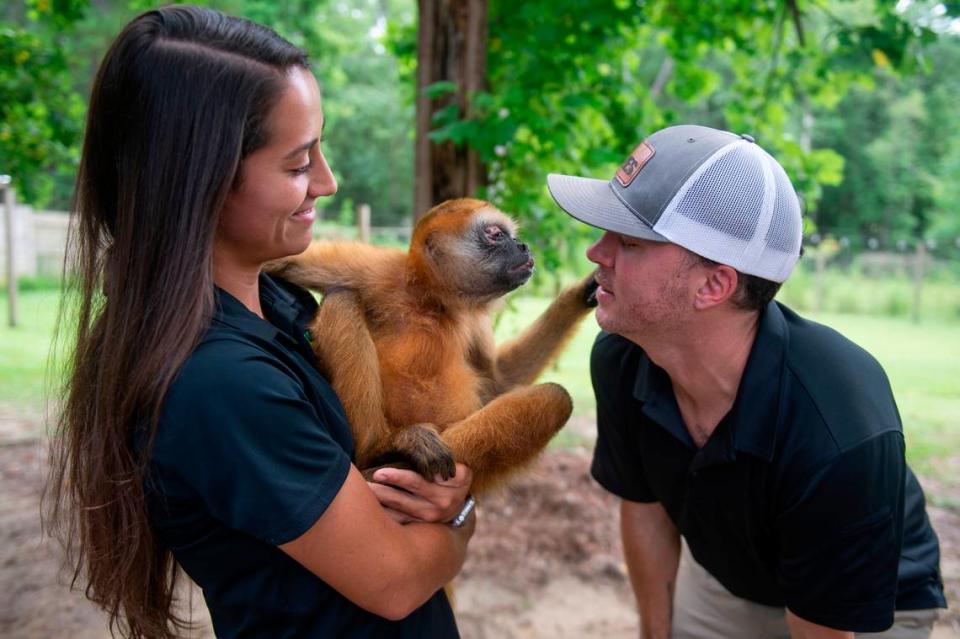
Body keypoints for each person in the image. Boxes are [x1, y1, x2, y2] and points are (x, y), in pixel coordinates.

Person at [43, 6, 476, 638]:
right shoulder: (220, 383)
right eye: (299, 164)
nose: (327, 183)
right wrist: (461, 519)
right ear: (202, 182)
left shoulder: (278, 305)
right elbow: (397, 580)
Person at [547, 124, 947, 638]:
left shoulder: (835, 425)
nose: (596, 254)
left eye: (628, 240)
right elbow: (644, 506)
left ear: (714, 284)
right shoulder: (624, 359)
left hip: (865, 605)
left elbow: (824, 628)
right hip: (727, 580)